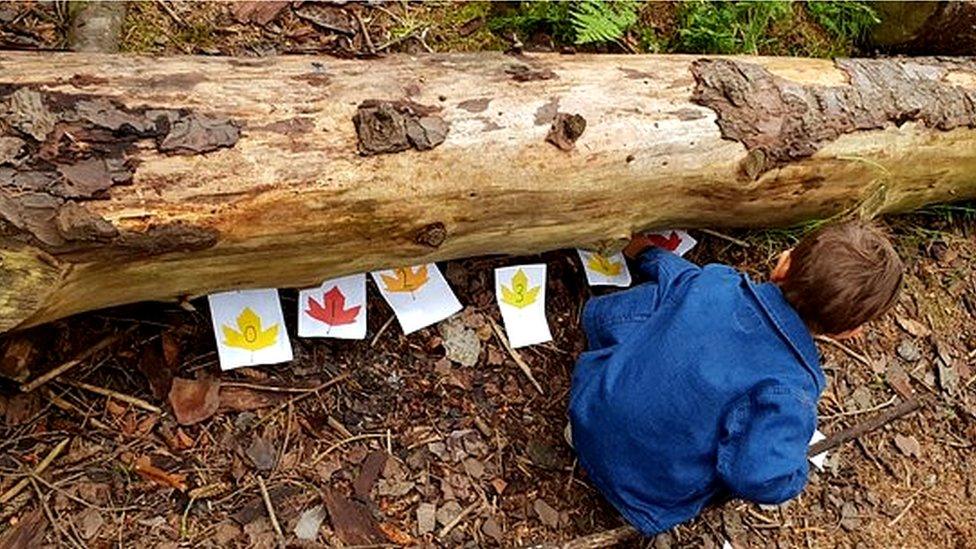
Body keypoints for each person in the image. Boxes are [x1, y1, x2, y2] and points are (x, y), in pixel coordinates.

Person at [568, 221, 903, 536]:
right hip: (646, 497)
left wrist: (646, 253)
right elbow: (759, 475)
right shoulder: (790, 391)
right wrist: (796, 472)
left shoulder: (715, 282)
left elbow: (680, 275)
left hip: (585, 414)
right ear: (850, 332)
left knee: (669, 301)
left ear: (783, 264)